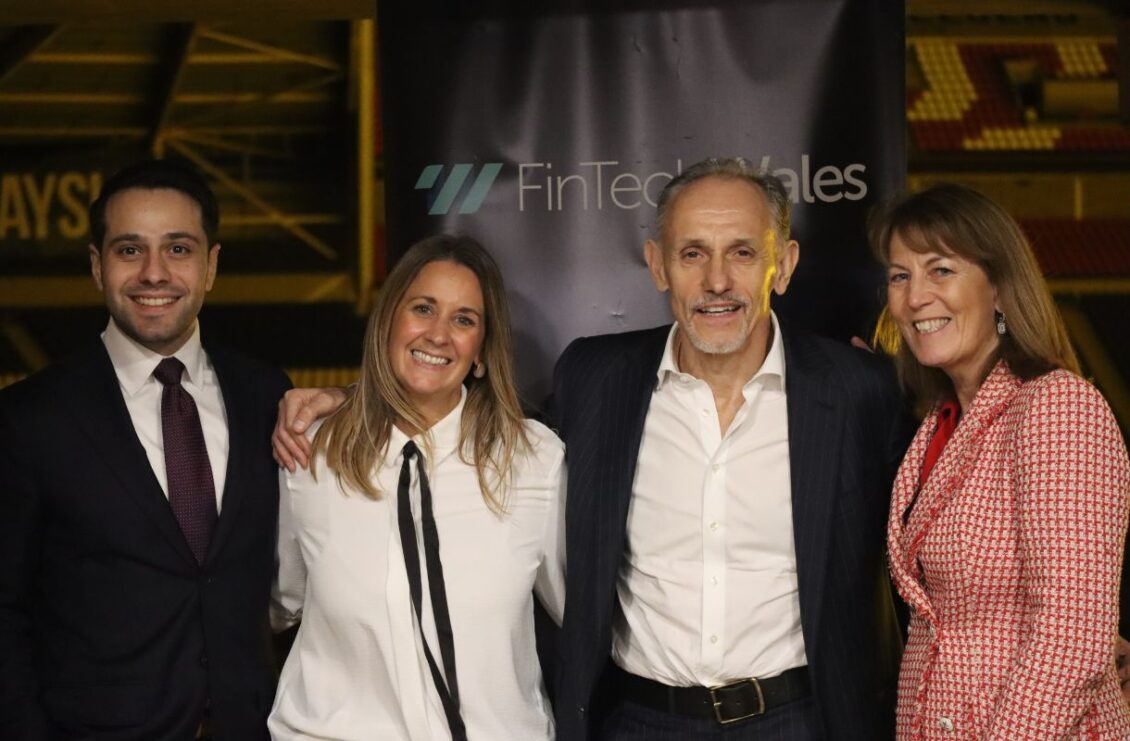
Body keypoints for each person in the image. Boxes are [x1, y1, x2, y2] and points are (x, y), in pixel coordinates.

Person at [274, 158, 913, 740]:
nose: (717, 280)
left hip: (799, 721)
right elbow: (452, 412)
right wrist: (354, 401)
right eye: (692, 253)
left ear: (786, 263)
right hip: (638, 722)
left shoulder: (859, 390)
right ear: (658, 265)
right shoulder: (596, 378)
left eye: (742, 252)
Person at [0, 159, 291, 740]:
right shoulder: (27, 419)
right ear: (97, 266)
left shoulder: (267, 397)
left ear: (211, 266)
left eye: (178, 249)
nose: (154, 273)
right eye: (130, 250)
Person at [267, 235, 566, 740]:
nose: (439, 335)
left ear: (481, 351)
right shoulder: (310, 451)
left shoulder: (534, 460)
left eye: (464, 320)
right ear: (388, 321)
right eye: (423, 309)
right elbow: (277, 603)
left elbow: (583, 613)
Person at [871, 183, 1130, 739]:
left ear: (998, 287)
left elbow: (1073, 635)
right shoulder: (940, 422)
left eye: (941, 270)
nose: (915, 297)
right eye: (899, 275)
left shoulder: (1057, 406)